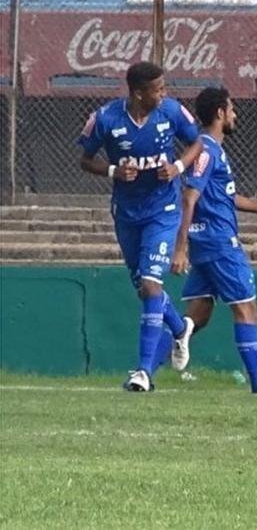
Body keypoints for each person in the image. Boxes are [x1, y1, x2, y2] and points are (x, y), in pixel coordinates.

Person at [78, 61, 203, 392]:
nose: (164, 94)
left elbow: (198, 143)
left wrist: (177, 166)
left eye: (164, 88)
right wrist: (112, 171)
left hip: (163, 211)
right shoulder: (105, 118)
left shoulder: (171, 112)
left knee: (151, 285)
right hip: (127, 213)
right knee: (144, 290)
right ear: (137, 93)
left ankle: (144, 372)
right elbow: (85, 159)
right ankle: (179, 329)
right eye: (157, 90)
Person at [168, 87, 257, 394]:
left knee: (199, 313)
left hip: (205, 242)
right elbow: (189, 197)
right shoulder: (206, 148)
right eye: (231, 109)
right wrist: (180, 248)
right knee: (246, 309)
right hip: (218, 242)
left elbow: (228, 197)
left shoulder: (211, 148)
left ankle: (151, 365)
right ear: (220, 113)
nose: (234, 114)